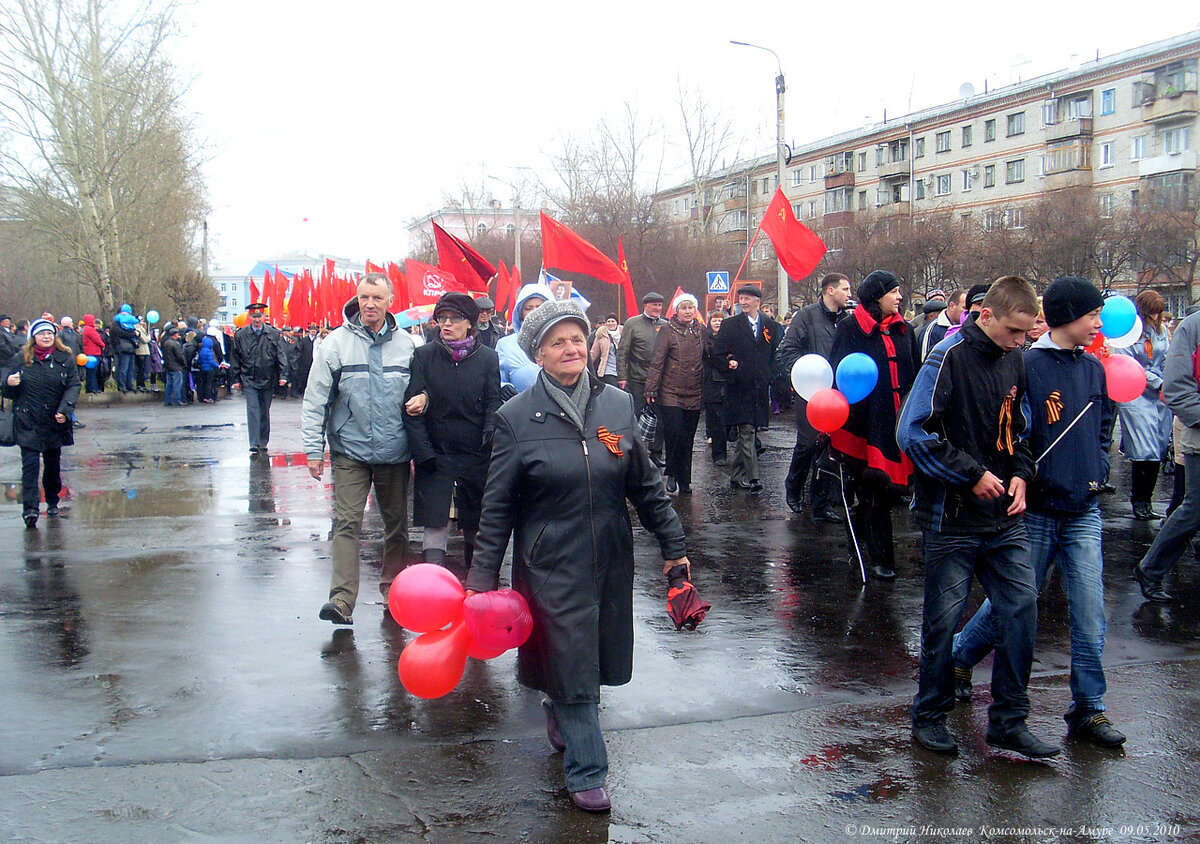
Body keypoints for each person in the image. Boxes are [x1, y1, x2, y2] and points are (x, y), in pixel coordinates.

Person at [464, 299, 689, 814]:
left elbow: (647, 487)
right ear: (538, 354)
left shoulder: (618, 406)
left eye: (576, 339)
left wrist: (674, 549)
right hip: (549, 566)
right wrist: (481, 581)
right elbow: (497, 508)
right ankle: (587, 770)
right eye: (557, 342)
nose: (571, 349)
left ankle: (559, 705)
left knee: (594, 658)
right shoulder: (515, 418)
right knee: (572, 661)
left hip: (610, 558)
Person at [952, 276, 1125, 748]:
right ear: (1068, 316)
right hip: (1037, 512)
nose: (1098, 324)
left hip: (1083, 509)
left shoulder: (1093, 369)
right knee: (1013, 605)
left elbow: (1103, 425)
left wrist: (1097, 467)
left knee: (1090, 613)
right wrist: (1023, 478)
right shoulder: (1027, 364)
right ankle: (960, 655)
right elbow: (1016, 432)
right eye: (1092, 315)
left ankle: (1089, 708)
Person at [898, 275, 1059, 759]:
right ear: (986, 315)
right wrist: (970, 475)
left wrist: (1022, 474)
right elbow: (912, 432)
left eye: (1027, 333)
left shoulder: (1015, 360)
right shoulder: (946, 356)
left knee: (1021, 609)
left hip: (1003, 517)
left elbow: (1021, 428)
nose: (1021, 341)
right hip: (952, 519)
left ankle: (1009, 721)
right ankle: (930, 715)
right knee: (942, 622)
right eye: (1014, 331)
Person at [302, 272, 421, 626]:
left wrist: (425, 399)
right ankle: (341, 600)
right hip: (349, 451)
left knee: (396, 526)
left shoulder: (409, 346)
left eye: (377, 298)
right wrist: (313, 450)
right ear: (357, 299)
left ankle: (393, 591)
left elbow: (425, 388)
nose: (370, 304)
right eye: (364, 297)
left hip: (395, 452)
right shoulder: (335, 344)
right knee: (346, 523)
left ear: (390, 302)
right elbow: (316, 399)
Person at [830, 270, 917, 580]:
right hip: (863, 424)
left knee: (892, 490)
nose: (899, 297)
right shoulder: (850, 328)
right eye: (893, 292)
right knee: (873, 489)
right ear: (876, 297)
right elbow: (839, 374)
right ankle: (881, 558)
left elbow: (914, 373)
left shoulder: (905, 330)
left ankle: (857, 527)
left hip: (897, 423)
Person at [404, 292, 501, 568]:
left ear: (470, 323)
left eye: (454, 318)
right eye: (442, 318)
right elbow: (410, 407)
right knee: (436, 524)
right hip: (436, 455)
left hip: (475, 454)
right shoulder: (424, 355)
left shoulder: (488, 358)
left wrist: (489, 435)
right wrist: (423, 453)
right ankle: (432, 585)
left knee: (475, 524)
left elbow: (493, 401)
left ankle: (478, 585)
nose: (446, 324)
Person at [775, 273, 851, 519]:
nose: (849, 294)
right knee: (808, 443)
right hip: (810, 391)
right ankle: (794, 485)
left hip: (837, 393)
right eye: (845, 289)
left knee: (830, 448)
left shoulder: (846, 320)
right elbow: (787, 350)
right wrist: (803, 376)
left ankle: (821, 502)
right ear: (830, 290)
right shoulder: (806, 316)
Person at [1, 318, 81, 528]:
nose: (46, 337)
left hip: (54, 420)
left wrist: (65, 410)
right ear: (33, 337)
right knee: (30, 466)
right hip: (27, 420)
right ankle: (30, 509)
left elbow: (73, 385)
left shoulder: (64, 358)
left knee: (52, 464)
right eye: (42, 334)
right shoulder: (21, 358)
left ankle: (52, 500)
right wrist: (8, 383)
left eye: (49, 334)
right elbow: (7, 389)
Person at [712, 285, 782, 494]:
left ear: (757, 302)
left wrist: (770, 375)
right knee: (746, 430)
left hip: (759, 389)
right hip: (738, 388)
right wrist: (729, 365)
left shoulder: (771, 326)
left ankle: (736, 476)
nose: (743, 302)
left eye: (747, 299)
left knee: (750, 430)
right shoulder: (730, 325)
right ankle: (754, 478)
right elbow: (717, 354)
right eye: (740, 298)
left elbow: (774, 355)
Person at [1115, 290, 1172, 521]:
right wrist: (1157, 381)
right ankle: (1138, 500)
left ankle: (1147, 500)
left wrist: (1168, 382)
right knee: (1143, 448)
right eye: (1152, 313)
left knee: (1158, 447)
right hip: (1136, 392)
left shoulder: (1161, 331)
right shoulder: (1129, 332)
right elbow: (1128, 363)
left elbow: (1167, 357)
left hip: (1159, 394)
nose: (1155, 318)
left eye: (1158, 314)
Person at [644, 292, 705, 494]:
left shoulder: (700, 330)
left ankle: (685, 479)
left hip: (694, 391)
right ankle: (671, 474)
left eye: (690, 308)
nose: (688, 312)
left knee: (688, 437)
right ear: (677, 311)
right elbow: (657, 361)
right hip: (671, 392)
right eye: (683, 308)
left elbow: (710, 354)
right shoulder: (667, 330)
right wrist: (651, 388)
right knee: (674, 434)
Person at [228, 302, 289, 455]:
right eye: (254, 316)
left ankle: (263, 441)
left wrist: (283, 375)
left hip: (267, 378)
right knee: (253, 409)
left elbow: (281, 355)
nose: (256, 319)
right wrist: (235, 379)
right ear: (250, 317)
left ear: (264, 316)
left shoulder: (273, 334)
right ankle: (254, 442)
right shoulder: (241, 335)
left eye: (259, 316)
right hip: (249, 378)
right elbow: (235, 358)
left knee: (264, 410)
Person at [618, 291, 666, 463]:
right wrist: (622, 376)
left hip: (660, 379)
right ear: (645, 305)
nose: (657, 308)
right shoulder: (633, 323)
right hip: (638, 378)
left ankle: (656, 452)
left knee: (660, 417)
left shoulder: (665, 325)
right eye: (654, 305)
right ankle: (637, 453)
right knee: (637, 415)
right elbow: (622, 352)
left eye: (660, 305)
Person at [496, 283, 553, 393]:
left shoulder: (565, 340)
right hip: (519, 403)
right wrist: (503, 386)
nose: (534, 312)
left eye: (539, 307)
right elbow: (496, 378)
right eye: (528, 308)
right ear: (520, 313)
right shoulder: (505, 345)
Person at [702, 310, 728, 465]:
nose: (717, 323)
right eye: (714, 320)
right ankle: (719, 454)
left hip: (729, 382)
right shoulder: (705, 339)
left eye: (720, 320)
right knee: (715, 420)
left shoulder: (730, 338)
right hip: (711, 383)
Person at [920, 289, 966, 360]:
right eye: (964, 308)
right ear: (952, 305)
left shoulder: (967, 328)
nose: (967, 312)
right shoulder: (933, 329)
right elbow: (926, 360)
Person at [109, 304, 138, 392]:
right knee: (123, 368)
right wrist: (133, 334)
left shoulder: (128, 324)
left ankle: (129, 385)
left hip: (130, 348)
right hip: (122, 348)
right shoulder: (116, 324)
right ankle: (122, 385)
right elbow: (121, 333)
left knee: (130, 369)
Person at [589, 314, 621, 387]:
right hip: (608, 369)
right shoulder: (601, 335)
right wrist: (586, 364)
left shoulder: (624, 334)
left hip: (622, 370)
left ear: (617, 323)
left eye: (613, 321)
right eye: (608, 321)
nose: (610, 323)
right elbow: (593, 353)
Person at [80, 314, 106, 393]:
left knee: (90, 372)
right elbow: (97, 339)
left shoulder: (85, 329)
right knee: (93, 372)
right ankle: (93, 388)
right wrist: (103, 345)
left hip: (88, 352)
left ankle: (90, 388)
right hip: (93, 353)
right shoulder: (90, 329)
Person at [161, 328, 187, 406]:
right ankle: (177, 400)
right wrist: (183, 364)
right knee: (177, 384)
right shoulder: (176, 344)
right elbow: (179, 356)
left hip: (168, 366)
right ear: (175, 335)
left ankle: (167, 400)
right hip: (176, 366)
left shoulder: (166, 343)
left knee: (169, 384)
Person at [134, 318, 151, 392]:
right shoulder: (138, 329)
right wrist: (149, 337)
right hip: (141, 351)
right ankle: (140, 384)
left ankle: (141, 384)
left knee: (142, 369)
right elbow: (145, 339)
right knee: (141, 369)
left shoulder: (140, 328)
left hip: (142, 351)